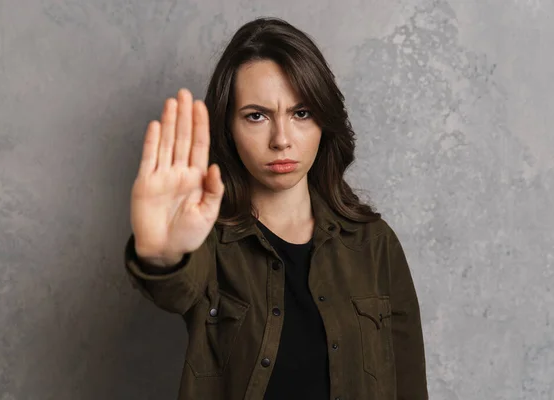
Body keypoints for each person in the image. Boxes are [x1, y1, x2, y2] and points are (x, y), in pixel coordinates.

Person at [124, 17, 428, 400]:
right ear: (228, 129)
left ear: (323, 120)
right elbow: (174, 290)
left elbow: (410, 385)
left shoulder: (374, 244)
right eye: (256, 116)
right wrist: (162, 255)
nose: (281, 140)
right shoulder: (207, 240)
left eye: (301, 113)